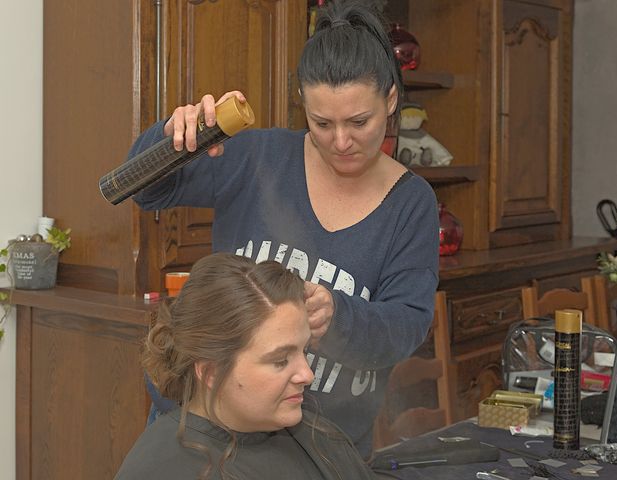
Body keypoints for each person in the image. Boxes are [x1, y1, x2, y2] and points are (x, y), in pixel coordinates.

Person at [128, 0, 439, 457]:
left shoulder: (410, 204)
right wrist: (174, 136)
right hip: (209, 434)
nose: (341, 141)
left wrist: (339, 315)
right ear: (302, 103)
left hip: (322, 448)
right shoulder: (257, 158)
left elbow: (407, 326)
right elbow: (144, 189)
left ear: (390, 99)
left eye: (359, 122)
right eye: (322, 123)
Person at [114, 253, 381, 479]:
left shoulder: (319, 438)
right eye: (280, 361)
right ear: (211, 371)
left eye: (305, 350)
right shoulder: (163, 469)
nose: (307, 375)